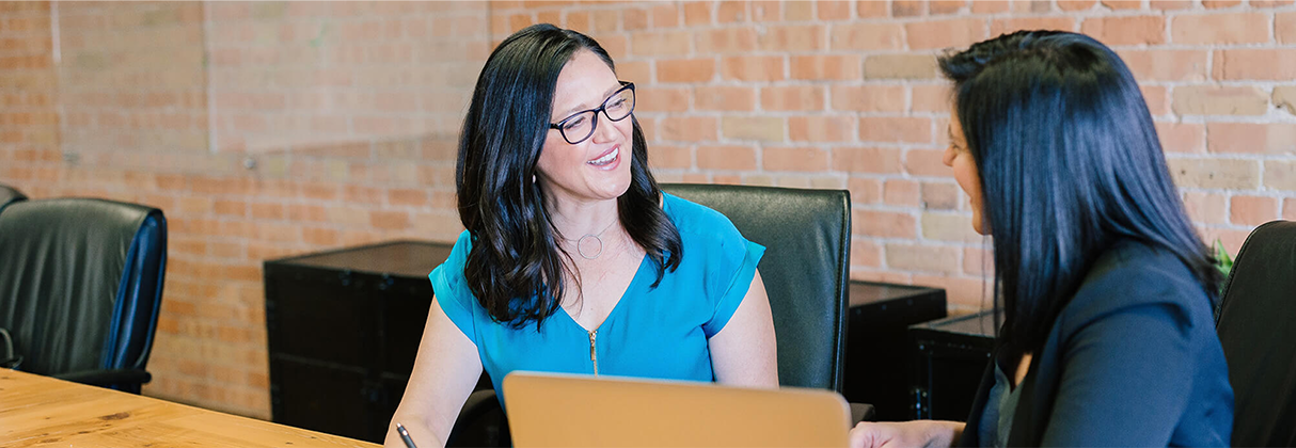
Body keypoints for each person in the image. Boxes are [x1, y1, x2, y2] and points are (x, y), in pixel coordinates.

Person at [384, 24, 778, 448]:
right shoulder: (485, 264)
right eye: (577, 121)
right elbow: (419, 419)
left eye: (613, 104)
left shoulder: (709, 246)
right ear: (523, 145)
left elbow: (763, 432)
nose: (610, 132)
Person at [850, 31, 1233, 448]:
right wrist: (929, 435)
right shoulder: (1059, 276)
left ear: (1023, 166)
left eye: (958, 144)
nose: (947, 158)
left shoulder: (1140, 309)